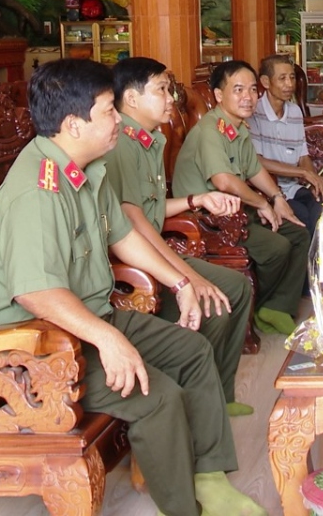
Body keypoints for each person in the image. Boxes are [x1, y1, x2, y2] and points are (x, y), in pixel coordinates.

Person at [0, 59, 266, 516]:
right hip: (34, 344)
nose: (117, 121)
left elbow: (124, 237)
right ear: (73, 123)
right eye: (109, 111)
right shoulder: (37, 190)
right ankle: (183, 507)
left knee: (192, 350)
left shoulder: (88, 168)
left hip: (86, 320)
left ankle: (210, 475)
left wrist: (181, 282)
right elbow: (37, 294)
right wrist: (110, 340)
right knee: (158, 396)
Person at [104, 56, 255, 417]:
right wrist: (188, 278)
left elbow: (148, 208)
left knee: (235, 287)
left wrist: (195, 199)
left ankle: (218, 394)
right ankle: (198, 400)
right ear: (131, 98)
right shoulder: (123, 142)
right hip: (133, 262)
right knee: (215, 300)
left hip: (152, 248)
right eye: (162, 89)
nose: (172, 97)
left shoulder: (149, 138)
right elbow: (133, 221)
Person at [173, 60, 310, 336]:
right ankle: (255, 305)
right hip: (207, 220)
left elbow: (254, 169)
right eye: (238, 90)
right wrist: (262, 203)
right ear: (218, 95)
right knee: (276, 248)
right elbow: (224, 180)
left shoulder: (238, 128)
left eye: (252, 90)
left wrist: (276, 197)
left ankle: (276, 306)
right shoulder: (210, 130)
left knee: (298, 232)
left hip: (234, 213)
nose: (248, 97)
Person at [247, 54, 323, 236]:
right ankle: (308, 263)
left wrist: (312, 179)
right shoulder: (254, 112)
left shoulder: (294, 111)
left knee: (320, 211)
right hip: (270, 191)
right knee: (303, 219)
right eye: (282, 78)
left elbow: (302, 155)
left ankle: (318, 263)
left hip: (294, 187)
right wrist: (302, 172)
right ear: (266, 82)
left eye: (292, 77)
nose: (289, 84)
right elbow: (258, 162)